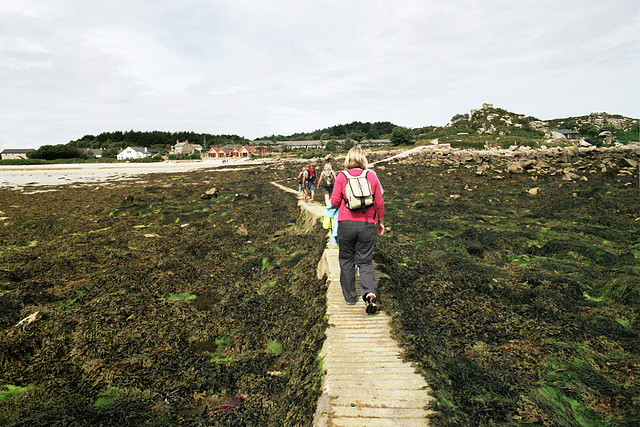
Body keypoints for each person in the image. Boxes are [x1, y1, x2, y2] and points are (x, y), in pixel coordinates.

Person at [330, 146, 385, 314]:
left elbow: (334, 202)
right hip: (368, 224)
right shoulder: (371, 176)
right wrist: (381, 222)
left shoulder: (341, 176)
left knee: (346, 260)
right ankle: (369, 292)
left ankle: (350, 298)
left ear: (348, 159)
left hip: (346, 224)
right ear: (363, 159)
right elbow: (380, 203)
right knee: (366, 261)